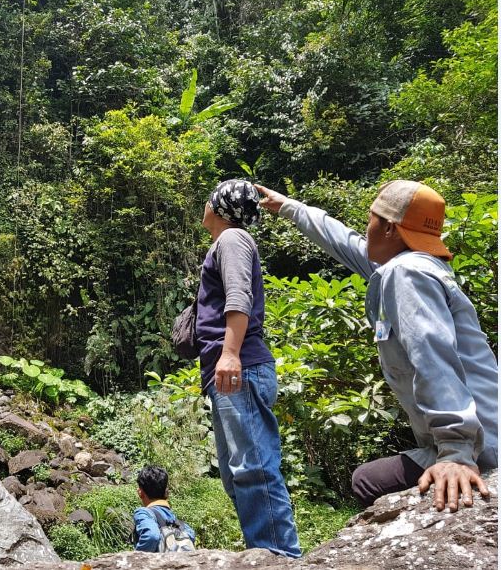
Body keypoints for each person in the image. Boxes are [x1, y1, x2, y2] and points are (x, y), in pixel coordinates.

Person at [255, 180, 497, 512]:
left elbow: (434, 355)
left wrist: (456, 453)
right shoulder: (413, 264)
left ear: (388, 228)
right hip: (482, 434)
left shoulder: (407, 274)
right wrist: (289, 207)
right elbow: (345, 242)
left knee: (367, 481)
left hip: (477, 446)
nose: (365, 227)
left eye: (370, 217)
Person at [195, 179, 301, 558]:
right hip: (228, 372)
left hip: (241, 367)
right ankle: (263, 553)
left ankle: (279, 558)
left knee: (253, 468)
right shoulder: (226, 243)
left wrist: (230, 354)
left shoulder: (231, 240)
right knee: (236, 474)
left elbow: (239, 296)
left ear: (220, 207)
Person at [132, 465, 195, 552]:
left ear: (140, 493)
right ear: (166, 492)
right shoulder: (175, 519)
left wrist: (136, 559)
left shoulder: (143, 513)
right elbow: (191, 535)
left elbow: (151, 536)